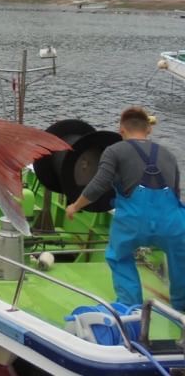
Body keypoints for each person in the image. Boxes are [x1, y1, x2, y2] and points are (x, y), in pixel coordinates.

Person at [66, 106, 185, 311]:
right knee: (180, 259)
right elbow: (175, 193)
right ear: (149, 130)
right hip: (173, 222)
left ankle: (131, 308)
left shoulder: (115, 151)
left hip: (134, 221)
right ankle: (181, 309)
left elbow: (98, 185)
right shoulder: (167, 154)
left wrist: (75, 206)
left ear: (121, 130)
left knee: (118, 255)